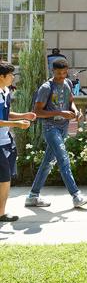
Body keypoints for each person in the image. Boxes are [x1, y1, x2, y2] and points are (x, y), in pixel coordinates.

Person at [25, 59, 87, 209]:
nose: (61, 76)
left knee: (47, 162)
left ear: (67, 71)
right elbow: (37, 112)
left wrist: (74, 111)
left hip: (63, 128)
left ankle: (32, 196)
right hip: (50, 128)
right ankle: (76, 196)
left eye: (64, 73)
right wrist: (60, 112)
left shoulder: (67, 83)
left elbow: (70, 101)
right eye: (58, 73)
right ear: (52, 71)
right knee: (63, 159)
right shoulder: (46, 87)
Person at [0, 61, 35, 223]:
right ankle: (1, 214)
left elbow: (5, 114)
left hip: (6, 141)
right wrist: (17, 124)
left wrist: (23, 115)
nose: (13, 77)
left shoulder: (6, 91)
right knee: (4, 178)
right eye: (11, 75)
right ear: (2, 77)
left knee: (5, 179)